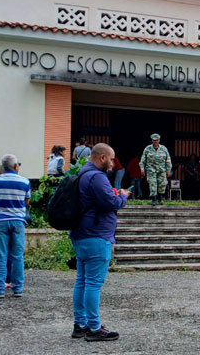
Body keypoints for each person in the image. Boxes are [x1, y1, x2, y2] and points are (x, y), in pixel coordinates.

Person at [70, 143, 130, 341]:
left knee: (82, 281)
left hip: (81, 233)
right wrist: (122, 196)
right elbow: (111, 203)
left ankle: (80, 324)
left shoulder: (82, 174)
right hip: (96, 234)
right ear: (102, 157)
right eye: (111, 159)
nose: (113, 164)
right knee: (93, 284)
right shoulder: (97, 177)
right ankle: (94, 328)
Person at [0, 154, 31, 299]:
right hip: (18, 221)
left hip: (0, 221)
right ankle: (17, 288)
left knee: (0, 255)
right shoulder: (25, 181)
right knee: (17, 256)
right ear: (16, 166)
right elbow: (26, 201)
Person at [139, 134, 172, 205]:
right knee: (152, 184)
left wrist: (168, 170)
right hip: (151, 169)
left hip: (162, 169)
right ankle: (154, 199)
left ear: (159, 140)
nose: (155, 142)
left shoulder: (164, 149)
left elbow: (168, 160)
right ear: (152, 140)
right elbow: (142, 160)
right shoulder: (147, 148)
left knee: (163, 184)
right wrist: (142, 169)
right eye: (154, 140)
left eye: (157, 140)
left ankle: (160, 197)